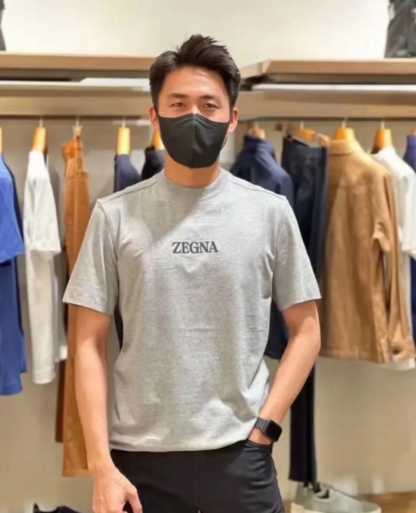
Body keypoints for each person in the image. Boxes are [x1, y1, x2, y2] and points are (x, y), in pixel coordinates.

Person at [63, 34, 321, 513]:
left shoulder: (270, 212)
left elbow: (307, 330)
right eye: (178, 104)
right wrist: (101, 466)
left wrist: (266, 427)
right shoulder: (113, 216)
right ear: (155, 115)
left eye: (209, 104)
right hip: (138, 463)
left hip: (242, 457)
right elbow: (87, 343)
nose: (194, 116)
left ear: (232, 118)